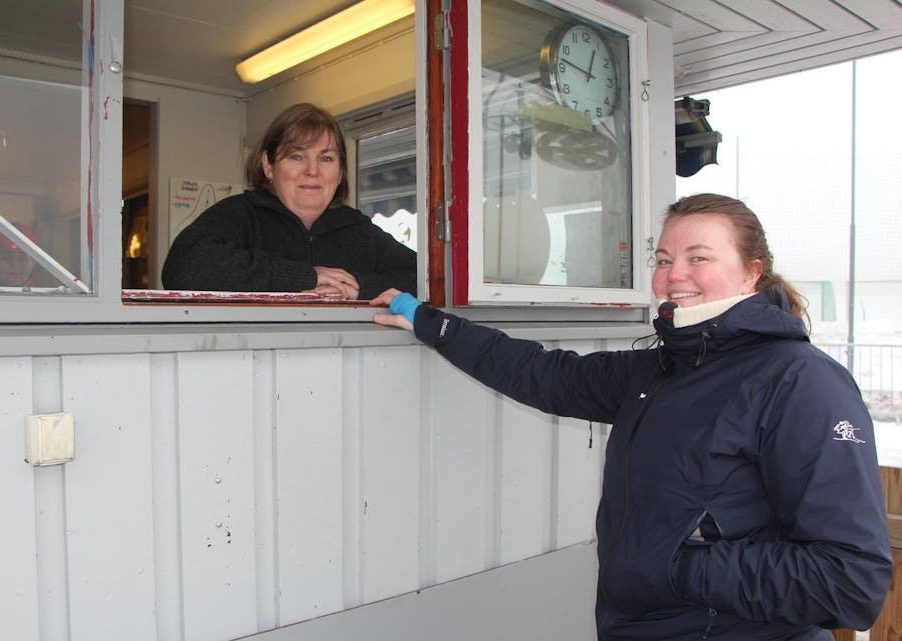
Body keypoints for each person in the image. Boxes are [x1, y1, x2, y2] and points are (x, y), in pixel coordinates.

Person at [371, 193, 892, 640]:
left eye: (699, 257)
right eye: (663, 259)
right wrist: (433, 324)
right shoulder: (663, 369)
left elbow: (850, 579)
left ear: (752, 272)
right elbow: (543, 374)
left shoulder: (800, 382)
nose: (674, 275)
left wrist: (677, 567)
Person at [161, 102, 416, 300]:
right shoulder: (242, 214)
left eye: (326, 158)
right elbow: (183, 267)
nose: (312, 170)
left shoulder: (358, 230)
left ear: (340, 173)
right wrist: (304, 277)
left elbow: (424, 278)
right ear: (268, 166)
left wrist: (357, 287)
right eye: (296, 156)